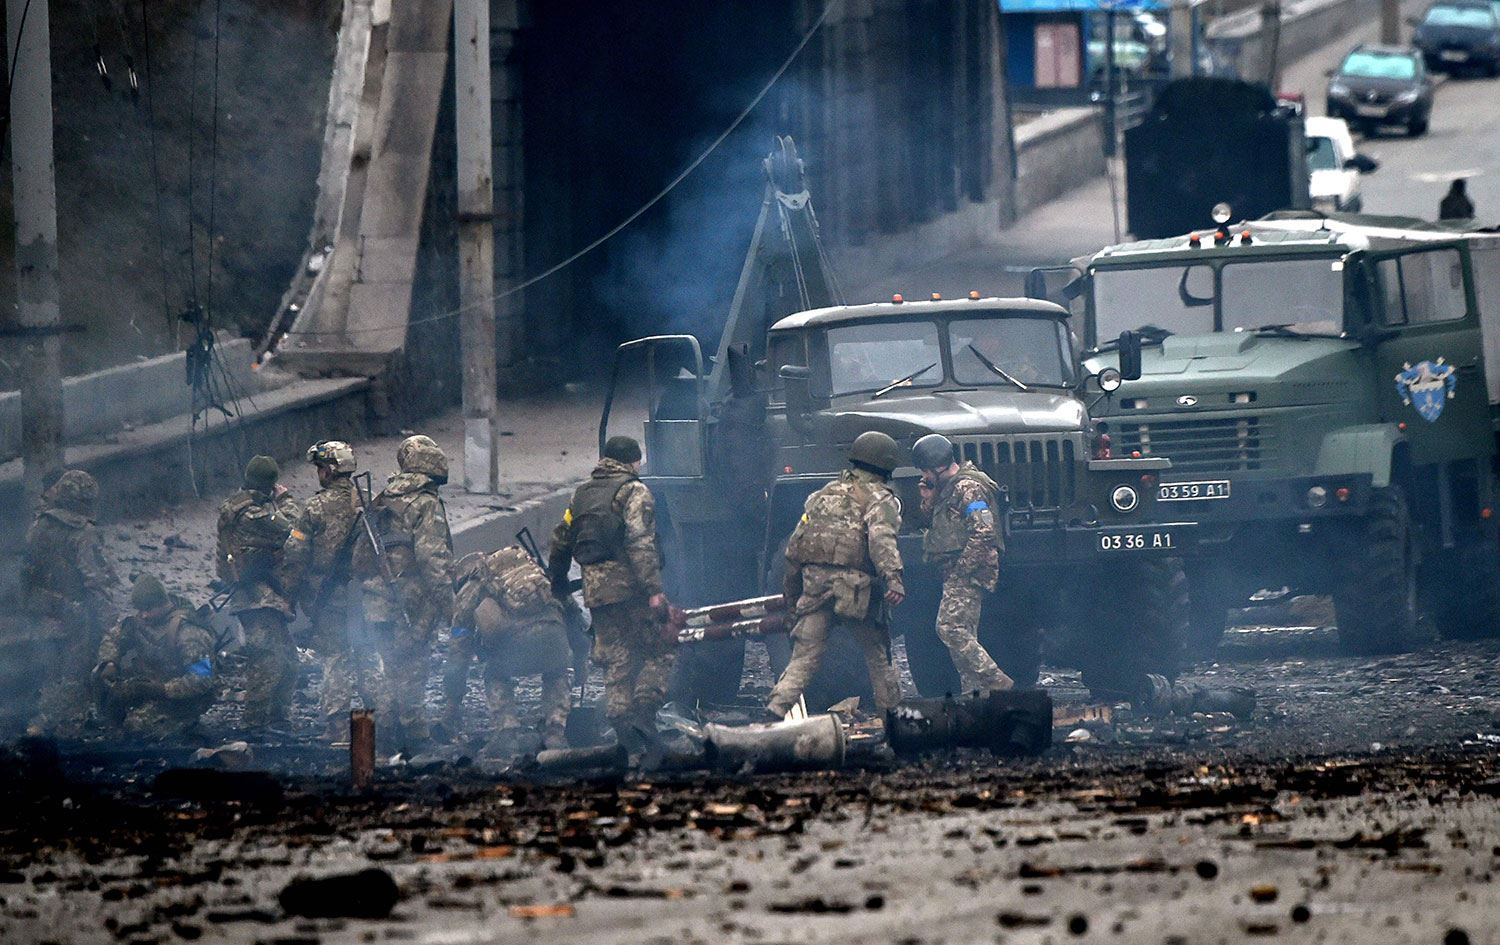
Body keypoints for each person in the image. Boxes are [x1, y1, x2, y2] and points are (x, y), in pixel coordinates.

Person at [548, 435, 671, 759]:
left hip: (596, 591)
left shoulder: (582, 495)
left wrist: (558, 582)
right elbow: (640, 542)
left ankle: (622, 725)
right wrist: (654, 591)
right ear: (633, 461)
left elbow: (561, 539)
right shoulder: (633, 491)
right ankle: (644, 717)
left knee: (616, 658)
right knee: (659, 649)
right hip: (630, 587)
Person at [767, 431, 905, 719]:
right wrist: (893, 579)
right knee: (876, 654)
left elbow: (795, 546)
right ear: (886, 465)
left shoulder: (821, 496)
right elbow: (882, 539)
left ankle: (775, 709)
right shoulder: (881, 498)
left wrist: (792, 598)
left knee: (803, 658)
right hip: (854, 591)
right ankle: (893, 718)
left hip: (815, 586)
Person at [352, 434, 454, 749]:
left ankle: (376, 743)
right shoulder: (426, 503)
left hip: (376, 601)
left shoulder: (382, 498)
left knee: (387, 668)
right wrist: (452, 609)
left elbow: (359, 558)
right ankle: (415, 739)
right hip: (411, 602)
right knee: (412, 670)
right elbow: (432, 561)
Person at [281, 440, 375, 741]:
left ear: (330, 471)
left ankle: (337, 728)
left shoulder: (315, 507)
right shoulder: (368, 501)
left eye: (320, 467)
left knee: (335, 656)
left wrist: (289, 596)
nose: (318, 473)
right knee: (368, 655)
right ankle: (383, 719)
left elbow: (295, 555)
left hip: (329, 595)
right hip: (365, 595)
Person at [912, 433, 1014, 695]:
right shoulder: (948, 489)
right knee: (965, 636)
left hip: (969, 568)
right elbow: (934, 522)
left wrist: (962, 570)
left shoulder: (968, 487)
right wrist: (928, 498)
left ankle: (996, 680)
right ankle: (975, 695)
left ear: (937, 466)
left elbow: (983, 531)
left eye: (926, 470)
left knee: (949, 628)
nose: (924, 475)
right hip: (955, 568)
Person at [446, 546, 573, 756]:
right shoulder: (529, 569)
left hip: (517, 646)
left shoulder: (471, 589)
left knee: (493, 673)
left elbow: (458, 650)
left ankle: (508, 730)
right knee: (557, 671)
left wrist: (452, 701)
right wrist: (577, 657)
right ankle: (555, 731)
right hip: (554, 636)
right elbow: (568, 605)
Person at [23, 469, 119, 736]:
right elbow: (97, 583)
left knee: (48, 672)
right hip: (75, 616)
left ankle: (40, 725)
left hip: (42, 612)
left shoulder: (38, 525)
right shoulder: (84, 533)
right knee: (74, 677)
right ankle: (62, 729)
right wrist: (114, 627)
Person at [215, 455, 299, 735]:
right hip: (257, 595)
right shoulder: (255, 514)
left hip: (257, 595)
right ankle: (254, 724)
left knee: (287, 658)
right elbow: (295, 529)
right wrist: (285, 500)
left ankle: (276, 720)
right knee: (266, 660)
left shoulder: (234, 506)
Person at [92, 575, 218, 739]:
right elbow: (113, 638)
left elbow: (202, 679)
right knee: (98, 675)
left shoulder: (188, 632)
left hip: (182, 699)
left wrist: (160, 690)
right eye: (140, 610)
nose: (143, 615)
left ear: (163, 604)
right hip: (150, 686)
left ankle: (187, 725)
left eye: (148, 609)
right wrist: (109, 662)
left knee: (136, 726)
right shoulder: (140, 621)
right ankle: (110, 721)